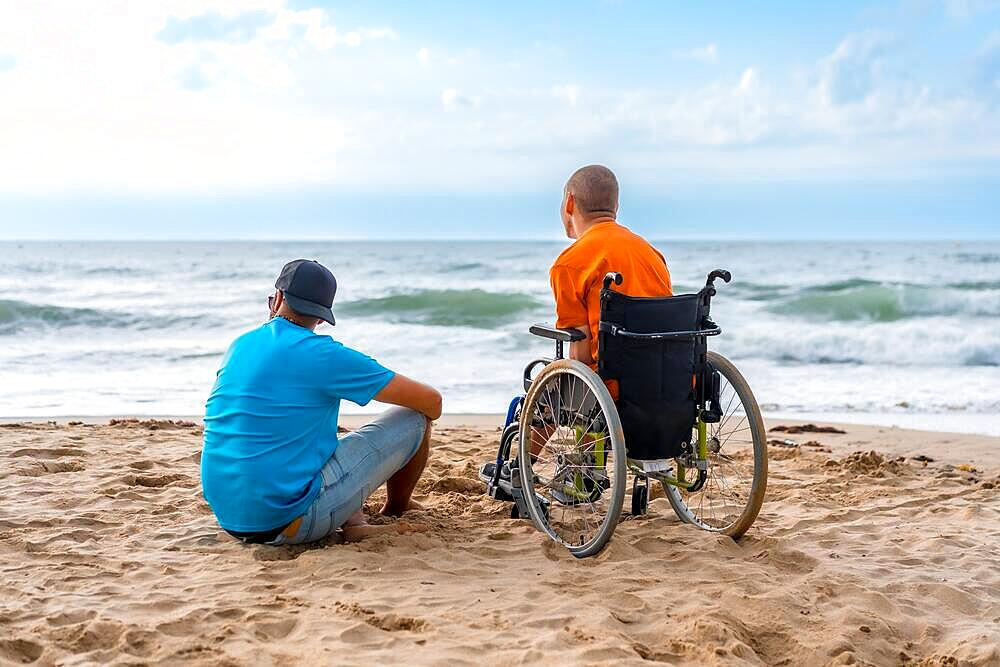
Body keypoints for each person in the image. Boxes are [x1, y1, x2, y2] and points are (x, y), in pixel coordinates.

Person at [201, 259, 442, 545]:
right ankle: (396, 507)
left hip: (231, 517)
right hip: (289, 522)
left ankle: (356, 520)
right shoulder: (325, 355)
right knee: (414, 418)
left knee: (308, 436)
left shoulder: (241, 344)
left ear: (277, 299)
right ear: (322, 318)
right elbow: (432, 402)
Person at [550, 164, 673, 367]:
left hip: (611, 386)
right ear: (615, 206)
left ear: (569, 203)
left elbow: (580, 353)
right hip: (669, 377)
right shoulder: (651, 254)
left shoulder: (569, 264)